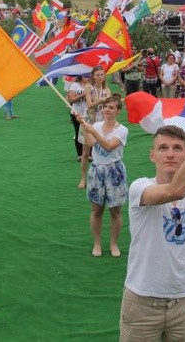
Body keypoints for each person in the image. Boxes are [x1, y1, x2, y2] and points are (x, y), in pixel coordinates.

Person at [119, 108, 185, 342]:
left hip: (183, 302)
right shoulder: (139, 187)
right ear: (152, 156)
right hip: (142, 302)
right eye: (163, 148)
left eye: (178, 148)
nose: (170, 154)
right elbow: (174, 190)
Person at [76, 94, 128, 258]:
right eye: (105, 107)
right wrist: (84, 126)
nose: (107, 110)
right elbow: (91, 143)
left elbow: (108, 146)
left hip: (115, 171)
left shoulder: (122, 130)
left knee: (116, 211)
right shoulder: (97, 125)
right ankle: (97, 243)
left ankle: (113, 244)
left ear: (118, 111)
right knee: (96, 210)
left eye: (111, 107)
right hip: (97, 170)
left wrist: (93, 131)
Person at [80, 66, 111, 190]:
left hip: (102, 122)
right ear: (93, 76)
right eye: (97, 75)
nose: (100, 77)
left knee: (103, 151)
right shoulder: (88, 87)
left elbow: (108, 105)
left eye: (102, 75)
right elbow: (89, 105)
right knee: (86, 152)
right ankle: (83, 178)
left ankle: (103, 178)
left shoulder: (107, 89)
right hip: (89, 121)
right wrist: (101, 100)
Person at [67, 75, 88, 183]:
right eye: (85, 75)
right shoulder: (74, 85)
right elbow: (71, 100)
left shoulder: (90, 85)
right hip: (76, 113)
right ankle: (80, 154)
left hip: (88, 113)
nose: (87, 76)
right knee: (78, 133)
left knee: (89, 134)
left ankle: (89, 154)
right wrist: (83, 95)